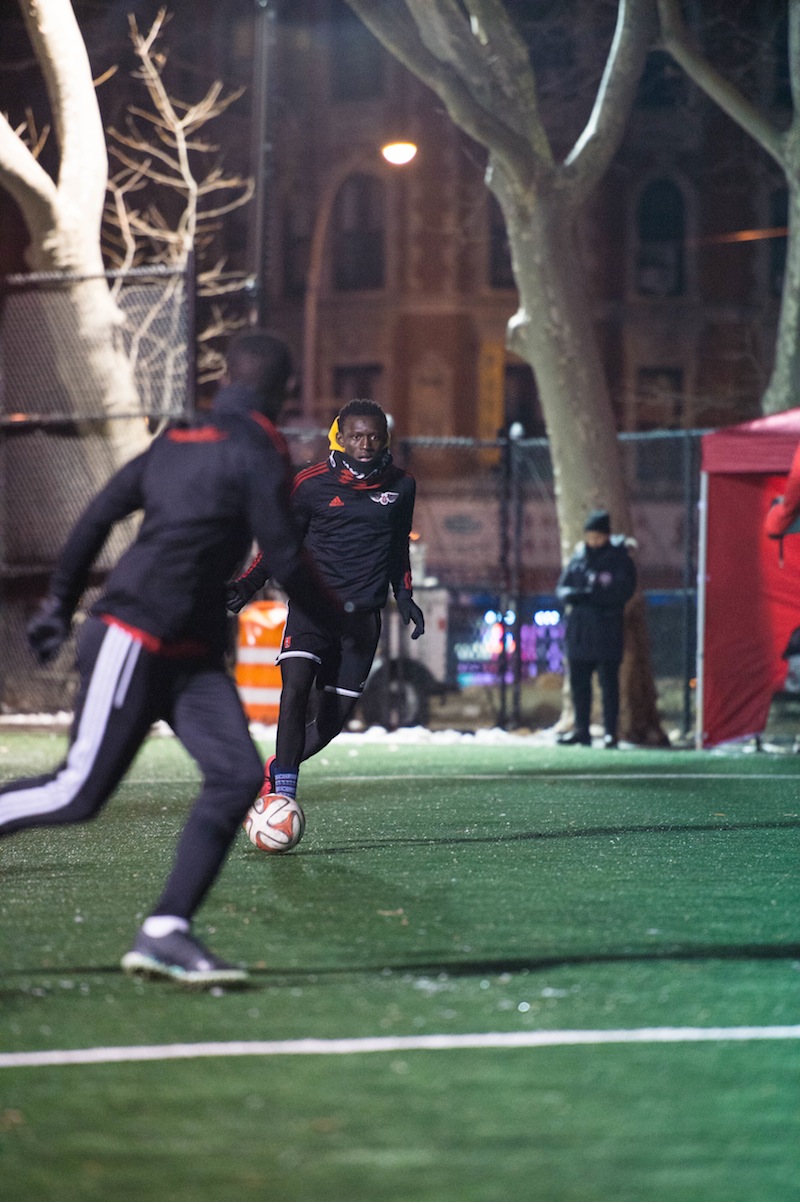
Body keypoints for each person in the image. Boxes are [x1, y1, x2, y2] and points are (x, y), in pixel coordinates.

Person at [0, 330, 341, 987]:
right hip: (136, 632)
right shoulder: (260, 447)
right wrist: (339, 619)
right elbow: (287, 555)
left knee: (238, 776)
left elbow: (99, 515)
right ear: (281, 393)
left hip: (189, 650)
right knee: (76, 791)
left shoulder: (177, 441)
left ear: (221, 384)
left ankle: (165, 931)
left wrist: (57, 603)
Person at [227, 398, 423, 803]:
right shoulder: (310, 483)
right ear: (340, 437)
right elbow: (282, 544)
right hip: (312, 609)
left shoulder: (402, 487)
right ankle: (282, 795)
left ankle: (277, 768)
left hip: (362, 621)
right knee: (295, 689)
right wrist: (247, 585)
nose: (365, 444)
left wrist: (404, 596)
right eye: (356, 436)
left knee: (330, 726)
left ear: (385, 439)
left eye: (373, 436)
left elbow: (398, 546)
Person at [555, 508, 637, 748]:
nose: (593, 542)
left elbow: (623, 591)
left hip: (607, 630)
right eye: (589, 536)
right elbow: (562, 589)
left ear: (607, 536)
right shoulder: (579, 557)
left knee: (609, 684)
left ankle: (611, 732)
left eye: (597, 537)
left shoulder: (620, 559)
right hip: (580, 632)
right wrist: (580, 595)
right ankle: (582, 730)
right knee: (579, 684)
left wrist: (595, 596)